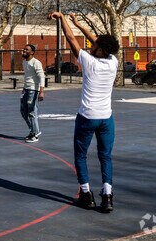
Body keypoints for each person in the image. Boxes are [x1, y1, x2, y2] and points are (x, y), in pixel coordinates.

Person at [49, 11, 119, 213]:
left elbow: (71, 39)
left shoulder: (89, 62)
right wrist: (78, 23)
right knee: (105, 156)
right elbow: (97, 40)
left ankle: (86, 194)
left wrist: (63, 18)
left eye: (95, 45)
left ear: (100, 50)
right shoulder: (113, 62)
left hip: (87, 117)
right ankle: (107, 196)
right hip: (106, 118)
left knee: (81, 156)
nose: (91, 45)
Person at [21, 44, 45, 143]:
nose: (24, 50)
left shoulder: (36, 63)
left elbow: (41, 77)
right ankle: (33, 131)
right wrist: (23, 88)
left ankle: (35, 134)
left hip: (33, 90)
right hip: (26, 89)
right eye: (24, 49)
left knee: (32, 112)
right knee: (23, 111)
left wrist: (41, 92)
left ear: (32, 52)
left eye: (26, 49)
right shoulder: (24, 62)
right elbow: (27, 76)